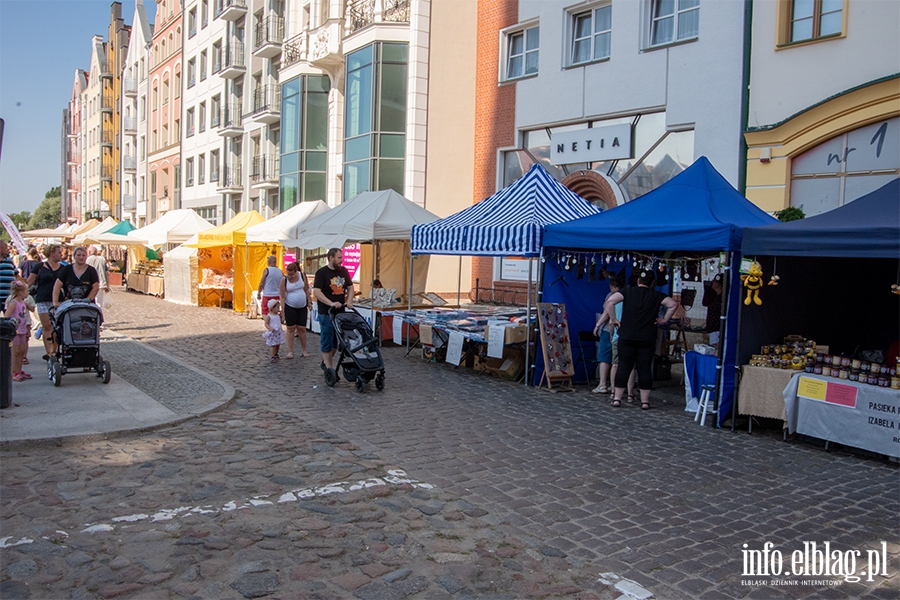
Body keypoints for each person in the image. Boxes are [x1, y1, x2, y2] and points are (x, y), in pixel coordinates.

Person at [605, 271, 678, 410]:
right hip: (647, 337)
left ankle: (617, 398)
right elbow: (673, 304)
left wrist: (614, 319)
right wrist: (665, 319)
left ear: (638, 281)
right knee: (644, 368)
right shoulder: (657, 295)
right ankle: (645, 402)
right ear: (651, 283)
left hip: (627, 335)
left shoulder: (627, 292)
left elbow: (610, 302)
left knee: (623, 366)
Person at [313, 247, 355, 371]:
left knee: (337, 342)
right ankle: (329, 368)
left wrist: (349, 301)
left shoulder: (343, 271)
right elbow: (317, 292)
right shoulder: (321, 273)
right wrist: (330, 303)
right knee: (327, 340)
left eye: (341, 257)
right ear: (331, 258)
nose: (341, 260)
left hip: (340, 313)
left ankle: (326, 363)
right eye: (339, 258)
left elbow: (350, 287)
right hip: (326, 313)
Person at [25, 244, 66, 360]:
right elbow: (29, 282)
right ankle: (49, 353)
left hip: (58, 301)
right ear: (51, 253)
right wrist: (20, 292)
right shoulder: (39, 267)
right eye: (59, 252)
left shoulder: (63, 268)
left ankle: (54, 350)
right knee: (47, 326)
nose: (61, 255)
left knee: (57, 327)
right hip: (43, 299)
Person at [591, 278, 619, 394]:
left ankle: (603, 384)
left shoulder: (612, 296)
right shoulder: (627, 295)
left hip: (609, 329)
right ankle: (616, 387)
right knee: (616, 361)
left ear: (611, 286)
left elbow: (607, 312)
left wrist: (598, 325)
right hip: (620, 330)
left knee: (604, 357)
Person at [279, 261, 311, 359]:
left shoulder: (302, 275)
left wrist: (309, 302)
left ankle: (304, 350)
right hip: (290, 306)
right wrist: (283, 310)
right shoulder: (284, 280)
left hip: (302, 306)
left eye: (292, 274)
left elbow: (306, 289)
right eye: (288, 274)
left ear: (296, 271)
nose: (290, 276)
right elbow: (282, 296)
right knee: (290, 328)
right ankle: (290, 351)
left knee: (302, 329)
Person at [5, 280, 32, 381]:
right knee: (15, 352)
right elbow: (7, 316)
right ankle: (13, 372)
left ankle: (19, 370)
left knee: (21, 351)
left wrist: (27, 328)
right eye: (26, 291)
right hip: (15, 330)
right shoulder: (13, 303)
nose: (28, 293)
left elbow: (27, 313)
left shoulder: (23, 303)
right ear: (20, 292)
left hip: (22, 329)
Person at [703, 274, 723, 346]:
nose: (712, 282)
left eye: (714, 281)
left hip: (716, 328)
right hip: (712, 327)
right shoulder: (714, 296)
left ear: (718, 284)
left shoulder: (721, 298)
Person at [0, 240, 16, 313]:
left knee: (10, 321)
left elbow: (16, 275)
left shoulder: (9, 261)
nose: (8, 249)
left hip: (9, 297)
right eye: (6, 248)